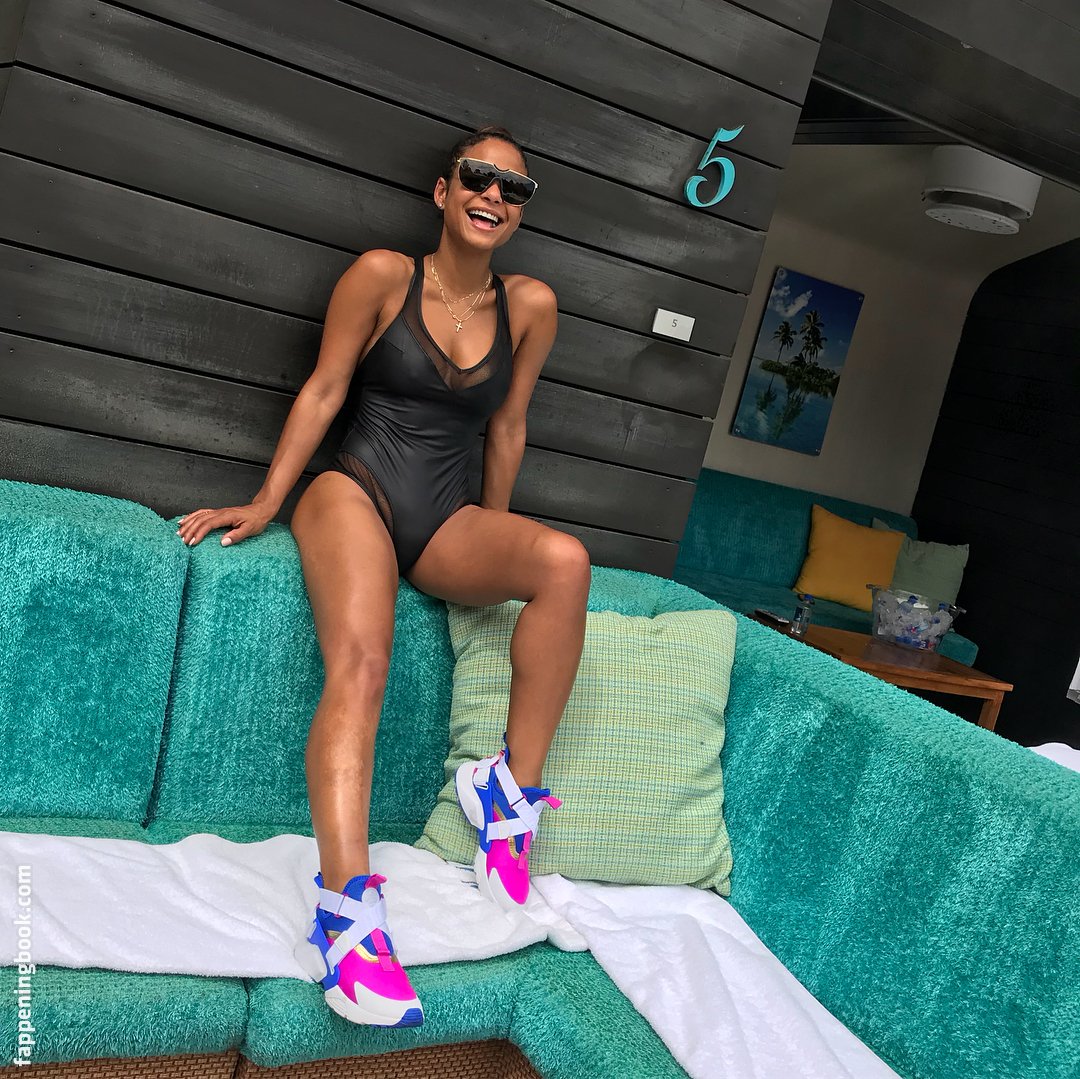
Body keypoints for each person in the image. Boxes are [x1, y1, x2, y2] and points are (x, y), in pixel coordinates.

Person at [173, 125, 591, 1029]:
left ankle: (506, 793)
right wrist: (267, 500)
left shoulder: (531, 306)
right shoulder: (382, 275)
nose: (494, 195)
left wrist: (495, 536)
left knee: (565, 561)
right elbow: (325, 390)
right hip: (353, 488)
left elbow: (508, 427)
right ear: (444, 191)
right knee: (363, 663)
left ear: (521, 212)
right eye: (478, 177)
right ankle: (347, 913)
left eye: (514, 188)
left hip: (445, 514)